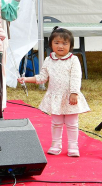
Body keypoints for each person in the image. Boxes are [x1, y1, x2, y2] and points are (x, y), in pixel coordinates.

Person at [18, 27, 89, 157]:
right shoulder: (48, 60)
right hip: (55, 97)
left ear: (71, 46)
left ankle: (73, 146)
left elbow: (75, 77)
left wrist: (74, 93)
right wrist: (27, 79)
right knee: (56, 123)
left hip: (70, 97)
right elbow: (42, 77)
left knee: (72, 124)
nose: (60, 46)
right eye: (56, 43)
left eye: (64, 43)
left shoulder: (73, 60)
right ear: (51, 44)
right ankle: (56, 145)